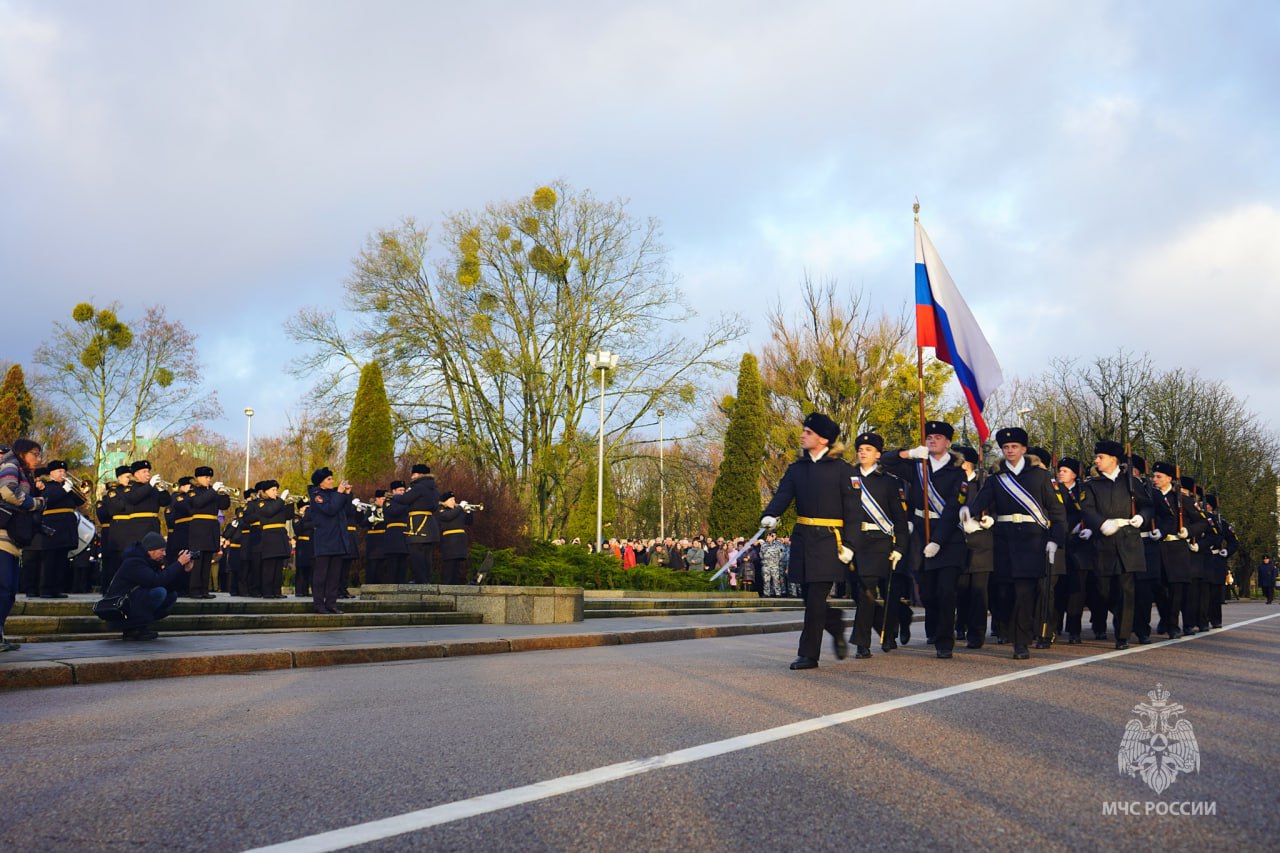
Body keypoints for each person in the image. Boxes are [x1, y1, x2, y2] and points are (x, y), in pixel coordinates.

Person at [760, 412, 859, 670]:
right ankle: (835, 623)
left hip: (829, 540)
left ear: (823, 439)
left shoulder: (843, 470)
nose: (803, 435)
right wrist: (770, 515)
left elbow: (853, 510)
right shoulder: (797, 469)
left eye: (809, 432)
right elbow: (783, 495)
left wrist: (850, 544)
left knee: (815, 598)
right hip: (803, 539)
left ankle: (808, 654)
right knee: (808, 597)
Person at [964, 427, 1066, 660]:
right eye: (1006, 447)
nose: (1010, 451)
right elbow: (978, 503)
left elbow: (1057, 512)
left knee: (1024, 593)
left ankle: (1021, 643)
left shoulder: (1041, 476)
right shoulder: (997, 479)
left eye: (1014, 447)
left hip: (1032, 541)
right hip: (1004, 542)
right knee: (1004, 594)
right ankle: (1012, 631)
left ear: (1023, 449)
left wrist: (1055, 540)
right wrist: (965, 515)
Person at [882, 420, 966, 659]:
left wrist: (938, 540)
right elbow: (886, 461)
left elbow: (952, 509)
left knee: (946, 591)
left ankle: (944, 641)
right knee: (928, 593)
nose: (932, 440)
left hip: (948, 537)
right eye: (929, 437)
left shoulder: (957, 473)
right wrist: (907, 453)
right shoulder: (917, 465)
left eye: (938, 437)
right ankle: (935, 629)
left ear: (948, 443)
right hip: (920, 533)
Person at [1079, 440, 1152, 650]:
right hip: (1104, 542)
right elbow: (1087, 509)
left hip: (1128, 540)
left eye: (1100, 457)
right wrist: (1101, 523)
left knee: (1126, 589)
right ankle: (1122, 617)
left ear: (1114, 459)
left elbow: (1148, 506)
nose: (1096, 461)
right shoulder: (1092, 485)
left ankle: (1123, 635)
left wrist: (1142, 517)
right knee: (1104, 590)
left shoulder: (1131, 482)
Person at [104, 531, 194, 640]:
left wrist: (184, 570)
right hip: (120, 607)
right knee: (159, 592)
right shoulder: (134, 562)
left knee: (171, 595)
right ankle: (133, 628)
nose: (164, 554)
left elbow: (168, 584)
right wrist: (178, 563)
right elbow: (156, 581)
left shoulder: (149, 561)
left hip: (131, 601)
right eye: (161, 550)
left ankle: (140, 627)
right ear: (150, 550)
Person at [1, 439, 48, 651]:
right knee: (4, 587)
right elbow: (8, 491)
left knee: (9, 591)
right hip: (2, 535)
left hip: (11, 539)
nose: (38, 459)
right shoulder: (11, 465)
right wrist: (35, 503)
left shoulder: (21, 469)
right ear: (22, 452)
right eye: (34, 454)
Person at [37, 459, 86, 598]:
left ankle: (57, 589)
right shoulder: (46, 485)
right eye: (59, 471)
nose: (62, 473)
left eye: (64, 471)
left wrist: (77, 489)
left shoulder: (67, 487)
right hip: (52, 525)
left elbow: (80, 501)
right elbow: (48, 500)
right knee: (50, 559)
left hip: (67, 527)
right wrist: (64, 489)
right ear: (52, 472)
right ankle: (45, 589)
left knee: (62, 560)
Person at [308, 468, 354, 614]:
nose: (332, 481)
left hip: (337, 539)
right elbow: (331, 509)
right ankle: (319, 604)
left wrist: (346, 495)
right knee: (321, 575)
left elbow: (346, 511)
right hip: (325, 539)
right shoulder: (317, 496)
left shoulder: (334, 494)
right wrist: (340, 493)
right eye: (328, 479)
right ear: (321, 483)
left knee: (335, 575)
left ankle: (331, 603)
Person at [186, 466, 230, 598]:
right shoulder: (193, 491)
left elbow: (224, 505)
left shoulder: (212, 491)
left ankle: (204, 590)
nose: (208, 480)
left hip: (211, 529)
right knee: (197, 562)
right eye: (206, 477)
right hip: (198, 529)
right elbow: (198, 503)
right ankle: (194, 590)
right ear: (198, 478)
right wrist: (213, 491)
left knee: (207, 562)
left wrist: (223, 493)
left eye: (210, 477)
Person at [394, 463, 440, 583]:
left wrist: (395, 496)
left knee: (416, 553)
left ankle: (420, 580)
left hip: (418, 524)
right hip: (429, 524)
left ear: (419, 474)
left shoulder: (419, 487)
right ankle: (427, 579)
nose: (412, 477)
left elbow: (405, 499)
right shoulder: (433, 488)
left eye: (413, 474)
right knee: (427, 555)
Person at [436, 492, 474, 584]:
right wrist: (460, 507)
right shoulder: (442, 510)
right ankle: (447, 585)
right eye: (451, 500)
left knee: (457, 567)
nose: (454, 501)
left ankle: (455, 585)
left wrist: (469, 512)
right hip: (450, 541)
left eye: (454, 499)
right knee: (449, 565)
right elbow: (448, 516)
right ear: (444, 502)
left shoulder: (457, 511)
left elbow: (468, 522)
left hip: (460, 542)